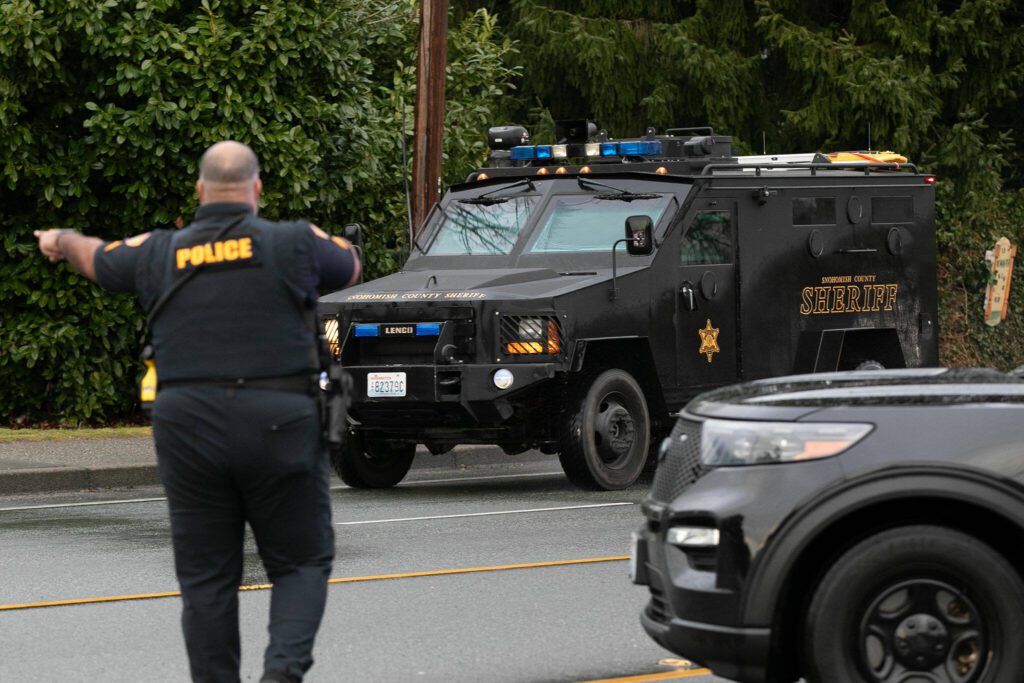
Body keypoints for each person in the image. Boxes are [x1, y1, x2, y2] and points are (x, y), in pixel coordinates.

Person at [34, 141, 360, 683]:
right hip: (279, 419)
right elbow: (348, 265)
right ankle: (281, 673)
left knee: (207, 578)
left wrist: (59, 239)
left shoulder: (160, 251)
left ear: (199, 191)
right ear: (256, 190)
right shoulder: (292, 242)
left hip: (188, 426)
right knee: (300, 562)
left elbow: (97, 256)